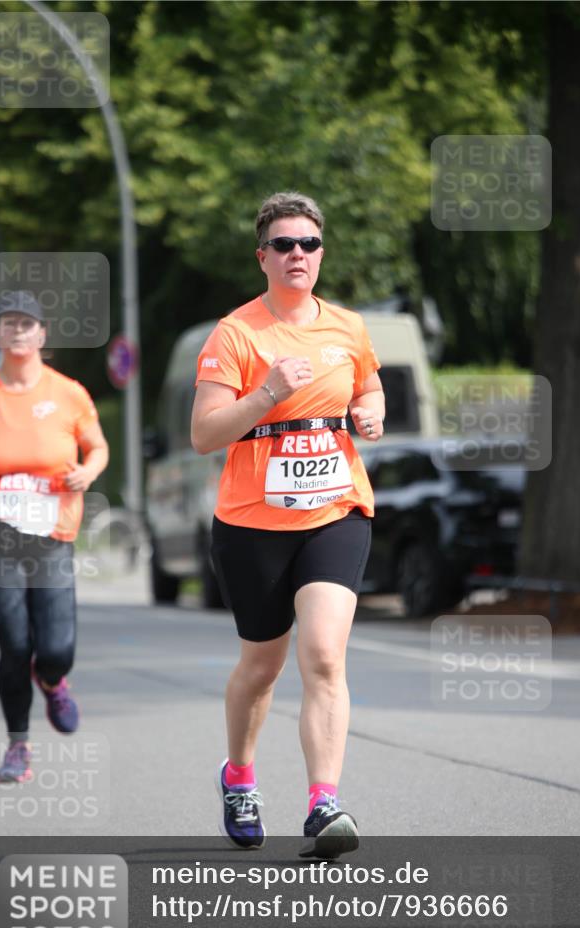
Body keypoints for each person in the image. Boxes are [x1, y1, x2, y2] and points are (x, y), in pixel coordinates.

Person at [191, 192, 385, 859]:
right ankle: (239, 777)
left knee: (325, 656)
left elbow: (367, 387)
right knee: (262, 665)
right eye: (283, 245)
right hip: (251, 523)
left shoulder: (348, 327)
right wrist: (267, 392)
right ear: (263, 257)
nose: (297, 254)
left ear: (320, 253)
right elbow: (203, 434)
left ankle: (322, 803)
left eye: (308, 244)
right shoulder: (236, 334)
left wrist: (371, 414)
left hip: (335, 512)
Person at [0, 291, 109, 783]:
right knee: (15, 644)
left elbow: (99, 447)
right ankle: (18, 747)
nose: (18, 331)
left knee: (57, 647)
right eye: (8, 323)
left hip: (51, 533)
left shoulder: (69, 393)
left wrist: (88, 472)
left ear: (43, 335)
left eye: (27, 323)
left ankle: (53, 680)